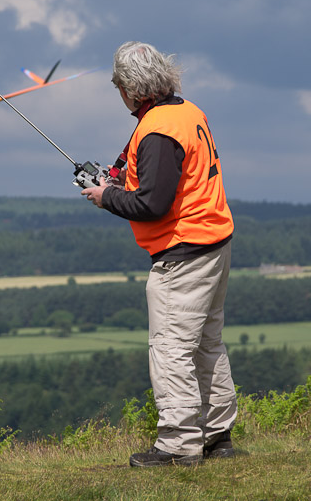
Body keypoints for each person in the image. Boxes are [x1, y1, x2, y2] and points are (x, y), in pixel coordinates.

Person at [82, 41, 237, 467]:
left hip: (182, 254)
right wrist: (115, 178)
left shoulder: (156, 130)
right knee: (207, 343)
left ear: (131, 89)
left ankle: (179, 444)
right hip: (214, 242)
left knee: (170, 349)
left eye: (118, 86)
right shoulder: (185, 111)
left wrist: (104, 196)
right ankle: (217, 434)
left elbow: (152, 204)